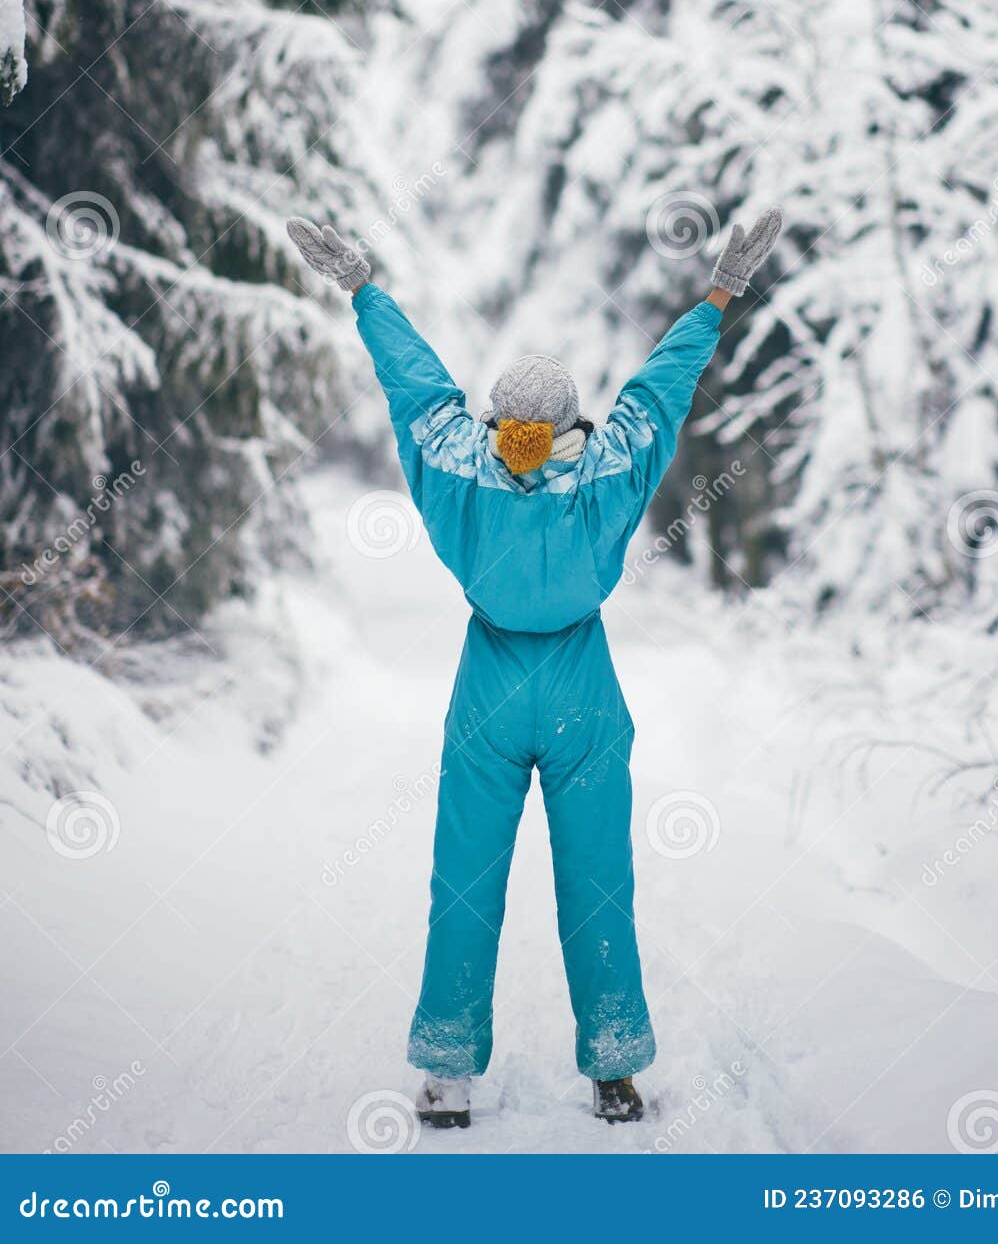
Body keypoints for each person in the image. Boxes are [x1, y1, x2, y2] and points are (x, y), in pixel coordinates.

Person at [287, 209, 783, 1127]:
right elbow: (661, 387)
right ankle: (613, 1071)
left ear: (498, 422)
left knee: (464, 878)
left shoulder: (455, 462)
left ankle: (445, 1076)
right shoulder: (609, 467)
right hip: (581, 692)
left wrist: (361, 285)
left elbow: (414, 382)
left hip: (488, 686)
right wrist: (719, 291)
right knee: (597, 879)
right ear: (565, 423)